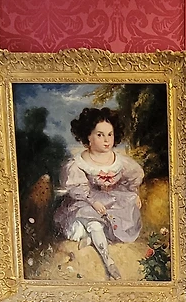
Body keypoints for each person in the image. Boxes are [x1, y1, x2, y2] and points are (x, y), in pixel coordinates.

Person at [52, 107, 144, 280]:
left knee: (125, 208)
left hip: (112, 198)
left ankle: (95, 238)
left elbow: (132, 179)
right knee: (92, 221)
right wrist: (93, 202)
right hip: (86, 200)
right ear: (88, 136)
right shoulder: (78, 163)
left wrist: (134, 193)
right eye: (100, 135)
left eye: (110, 134)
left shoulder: (121, 162)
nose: (106, 140)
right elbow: (78, 189)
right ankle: (108, 262)